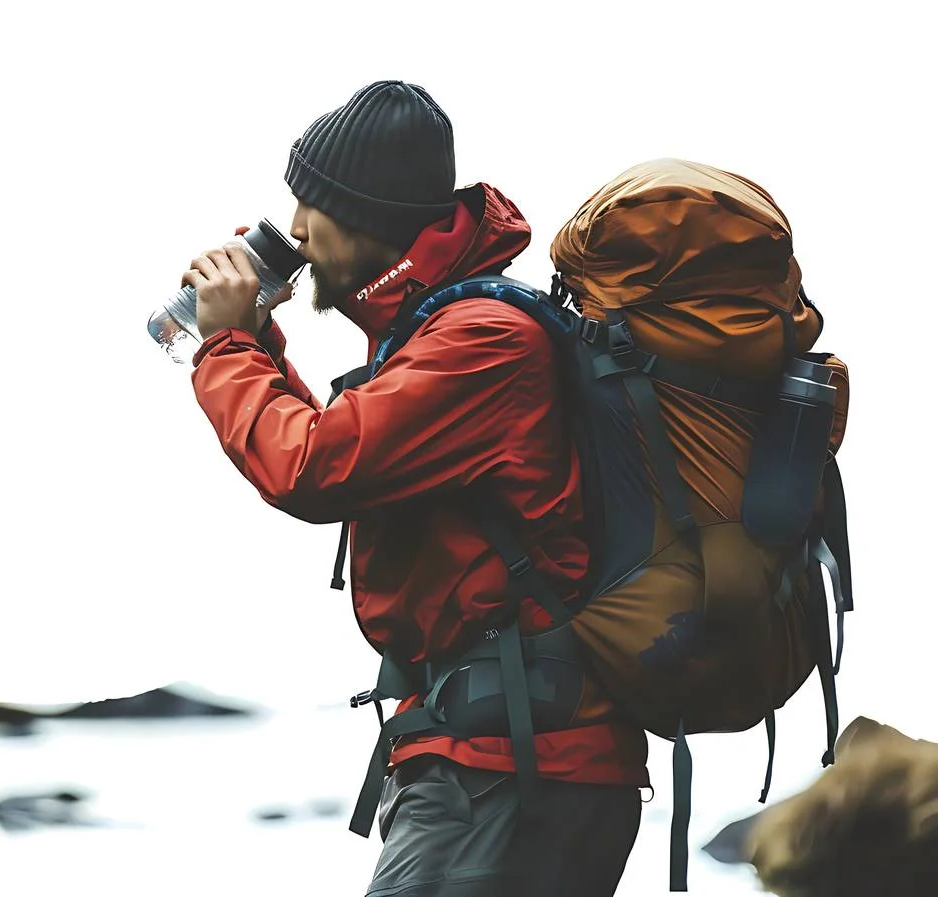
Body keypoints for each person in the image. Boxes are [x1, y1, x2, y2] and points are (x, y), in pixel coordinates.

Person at [181, 80, 649, 896]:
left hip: (509, 771)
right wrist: (257, 342)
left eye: (313, 204)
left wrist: (226, 346)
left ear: (369, 213)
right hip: (494, 764)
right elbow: (350, 448)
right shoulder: (438, 331)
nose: (294, 229)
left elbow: (312, 467)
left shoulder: (482, 339)